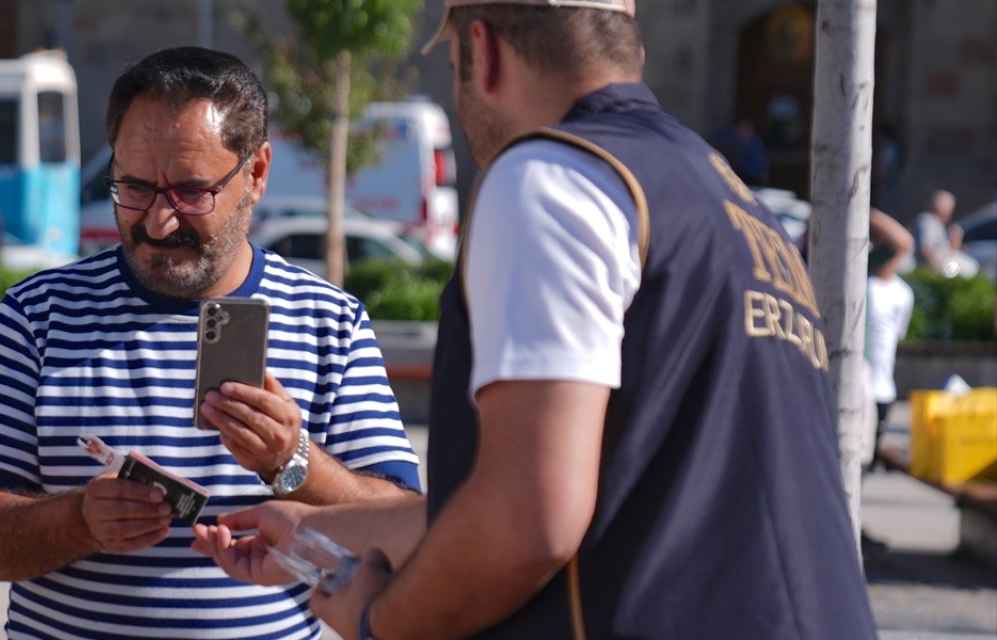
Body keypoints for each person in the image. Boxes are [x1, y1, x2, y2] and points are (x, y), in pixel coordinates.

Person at [193, 1, 878, 638]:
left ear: (482, 51)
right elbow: (574, 495)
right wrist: (320, 531)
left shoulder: (549, 176)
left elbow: (530, 519)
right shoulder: (722, 192)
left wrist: (383, 621)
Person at [0, 46, 421, 639]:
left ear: (257, 174)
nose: (159, 221)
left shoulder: (329, 323)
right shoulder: (35, 317)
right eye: (134, 187)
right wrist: (78, 520)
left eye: (191, 192)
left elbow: (400, 531)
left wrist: (293, 464)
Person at [865, 208, 915, 471]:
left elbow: (904, 244)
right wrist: (865, 211)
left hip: (883, 388)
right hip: (856, 385)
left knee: (866, 464)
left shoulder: (903, 293)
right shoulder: (859, 280)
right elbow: (902, 242)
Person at [913, 189, 956, 274]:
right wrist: (942, 271)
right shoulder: (928, 222)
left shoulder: (936, 223)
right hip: (929, 273)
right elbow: (926, 249)